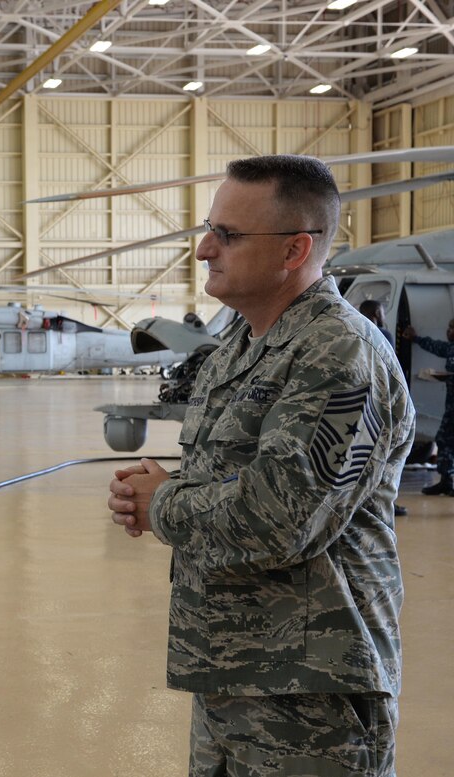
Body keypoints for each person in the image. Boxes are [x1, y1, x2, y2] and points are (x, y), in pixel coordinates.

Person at [106, 155, 414, 777]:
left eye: (228, 235)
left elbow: (282, 520)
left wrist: (163, 503)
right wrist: (155, 492)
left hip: (310, 690)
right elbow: (224, 482)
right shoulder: (240, 347)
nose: (203, 250)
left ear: (294, 250)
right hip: (233, 671)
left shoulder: (339, 353)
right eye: (209, 228)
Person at [358, 301, 409, 515]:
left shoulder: (355, 329)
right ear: (376, 314)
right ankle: (382, 502)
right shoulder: (382, 334)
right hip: (382, 403)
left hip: (364, 403)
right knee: (383, 459)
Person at [402, 318, 454, 495]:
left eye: (452, 328)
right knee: (444, 440)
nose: (449, 331)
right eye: (449, 327)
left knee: (445, 440)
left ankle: (448, 480)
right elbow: (436, 346)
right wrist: (416, 338)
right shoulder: (450, 348)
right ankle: (447, 481)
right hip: (450, 406)